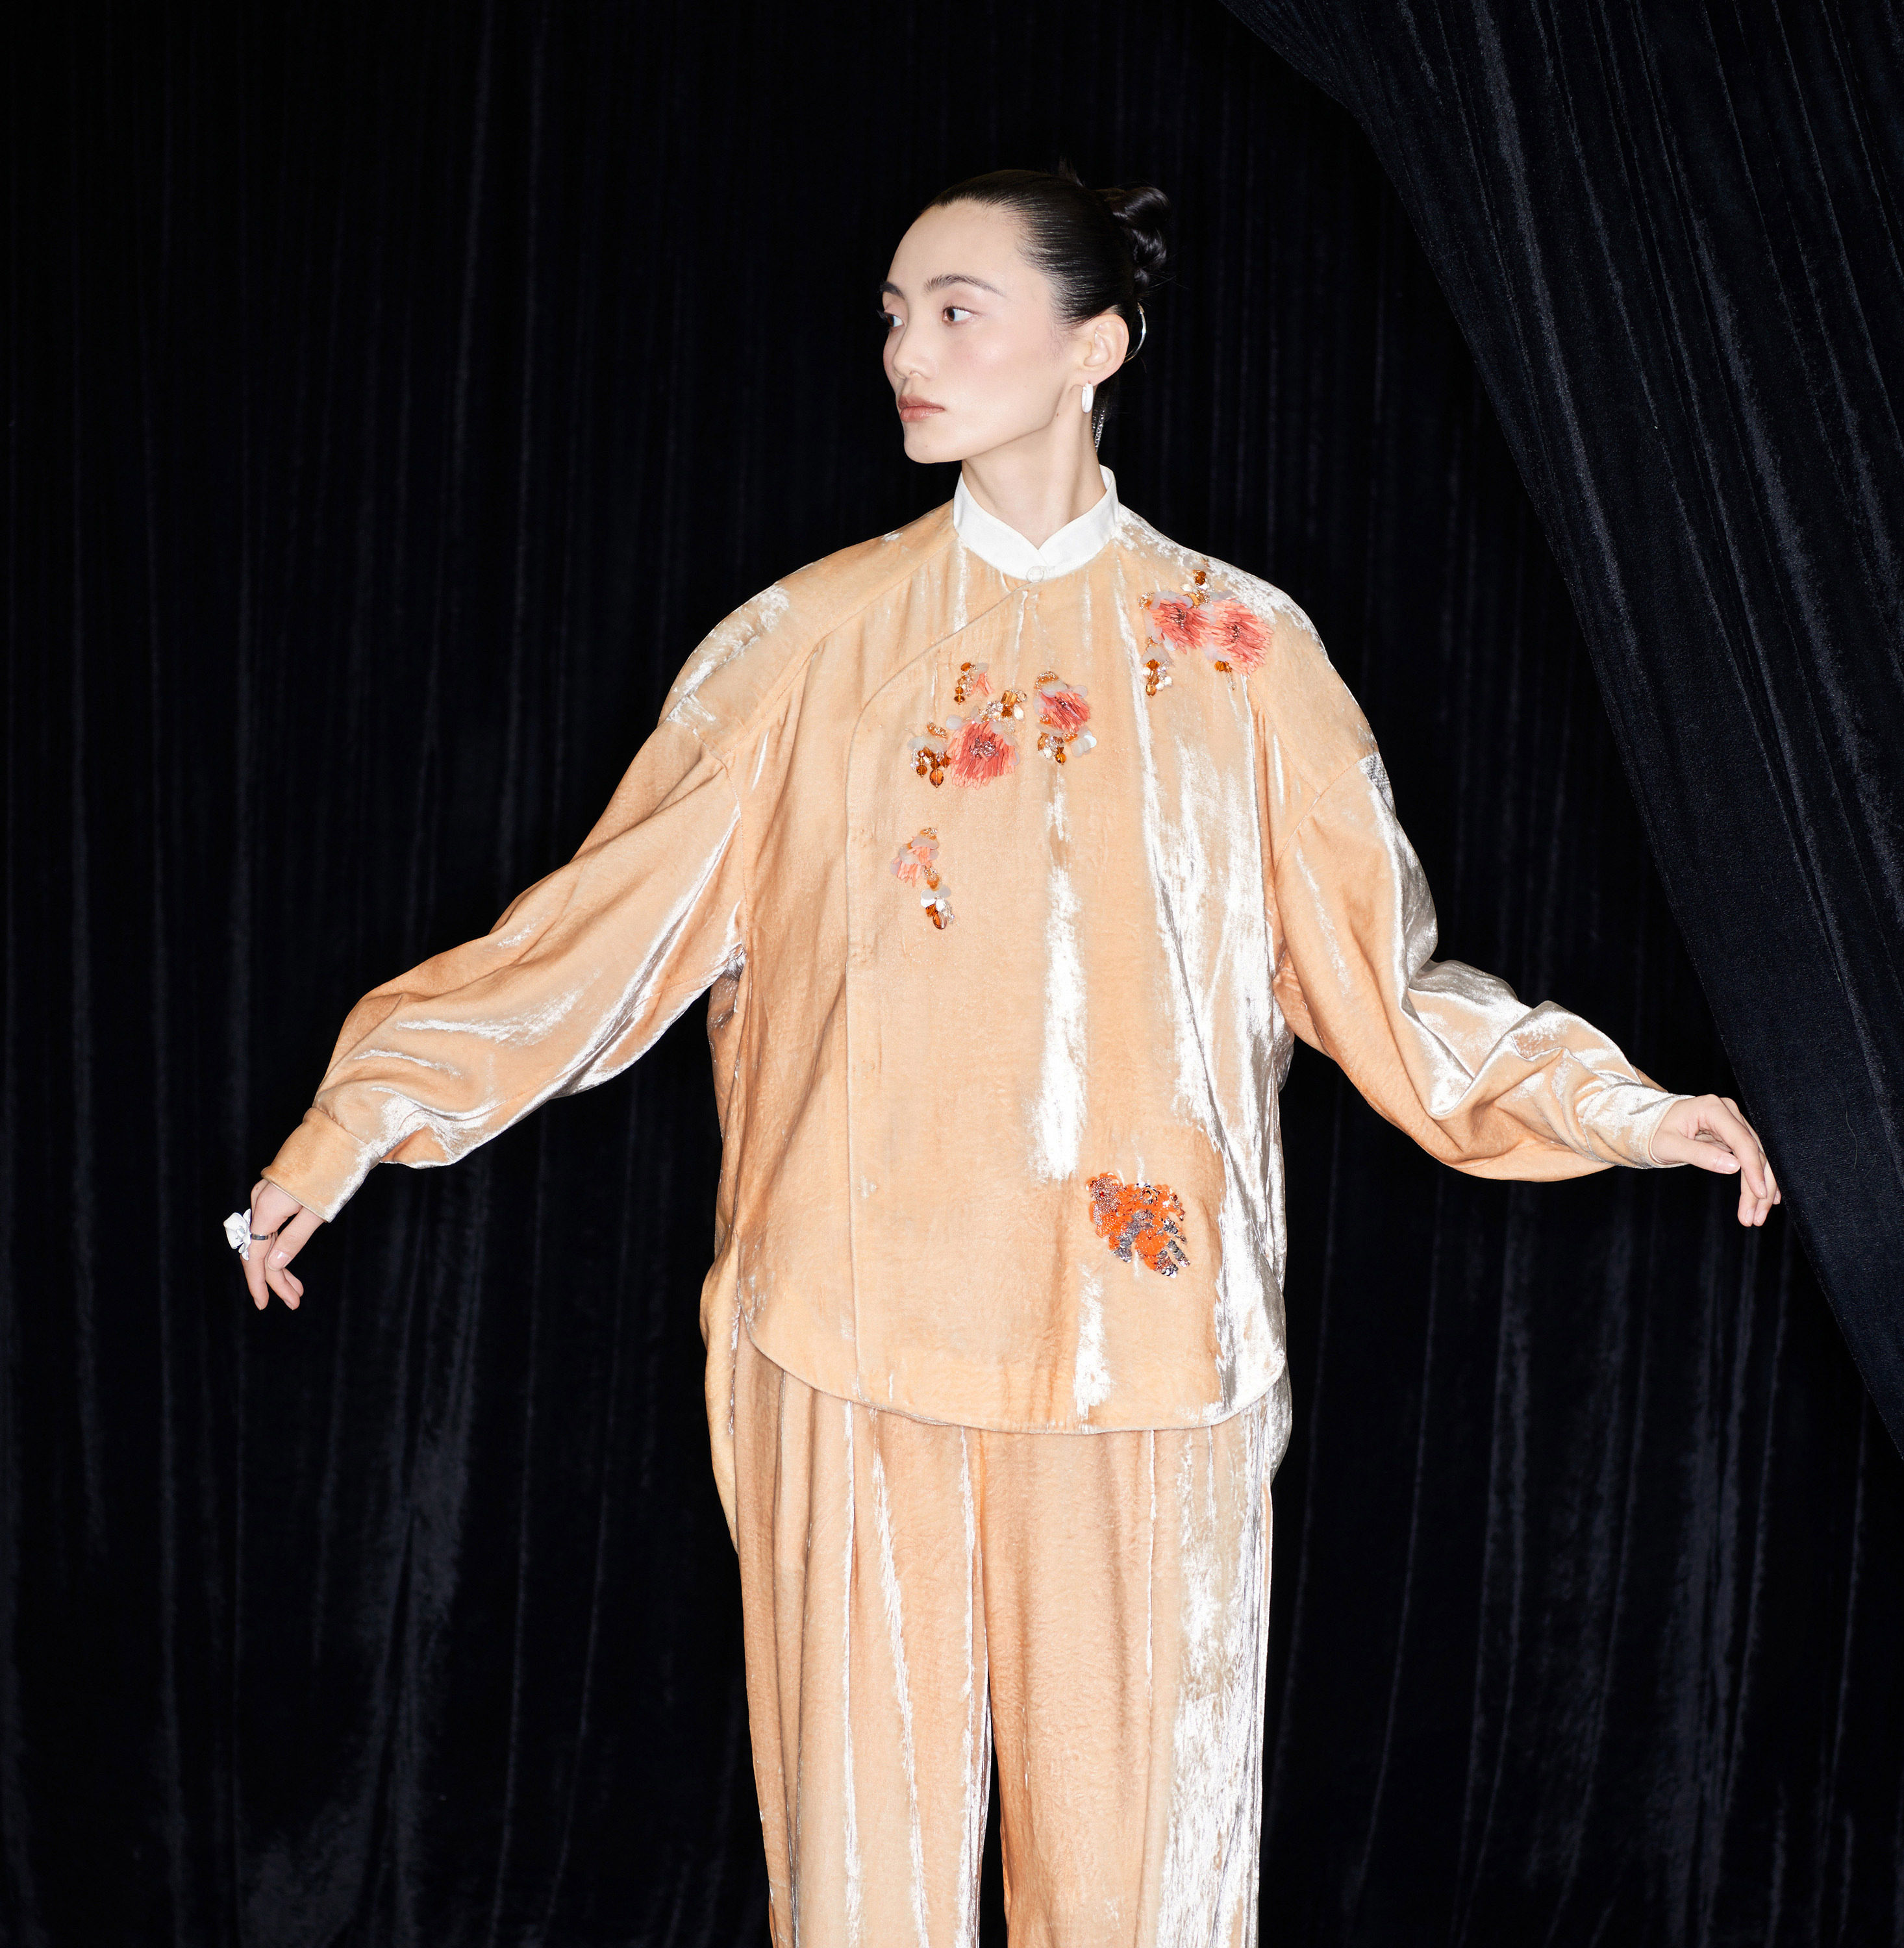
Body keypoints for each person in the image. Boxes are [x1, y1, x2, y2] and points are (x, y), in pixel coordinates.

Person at [231, 167, 1779, 1947]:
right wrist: (358, 1118)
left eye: (959, 311)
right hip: (849, 1340)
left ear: (1095, 345)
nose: (909, 349)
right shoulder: (801, 649)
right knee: (859, 1894)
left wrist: (1620, 1107)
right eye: (897, 313)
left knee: (1147, 1895)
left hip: (1149, 1356)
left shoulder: (1243, 653)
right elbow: (591, 941)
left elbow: (1385, 981)